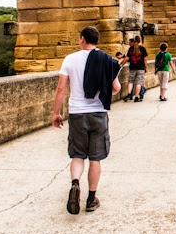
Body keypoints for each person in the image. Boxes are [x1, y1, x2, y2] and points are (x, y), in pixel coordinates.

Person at [52, 26, 120, 215]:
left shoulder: (70, 59)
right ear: (97, 40)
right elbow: (116, 88)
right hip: (98, 113)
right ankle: (91, 199)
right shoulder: (108, 60)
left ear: (82, 39)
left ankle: (75, 184)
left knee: (78, 155)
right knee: (95, 158)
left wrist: (56, 113)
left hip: (77, 114)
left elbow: (61, 88)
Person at [126, 35, 148, 102]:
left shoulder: (130, 49)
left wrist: (121, 64)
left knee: (130, 81)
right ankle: (136, 97)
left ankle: (129, 94)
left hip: (132, 67)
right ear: (140, 41)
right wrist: (146, 68)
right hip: (140, 68)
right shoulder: (143, 49)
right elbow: (145, 60)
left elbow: (127, 58)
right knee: (139, 83)